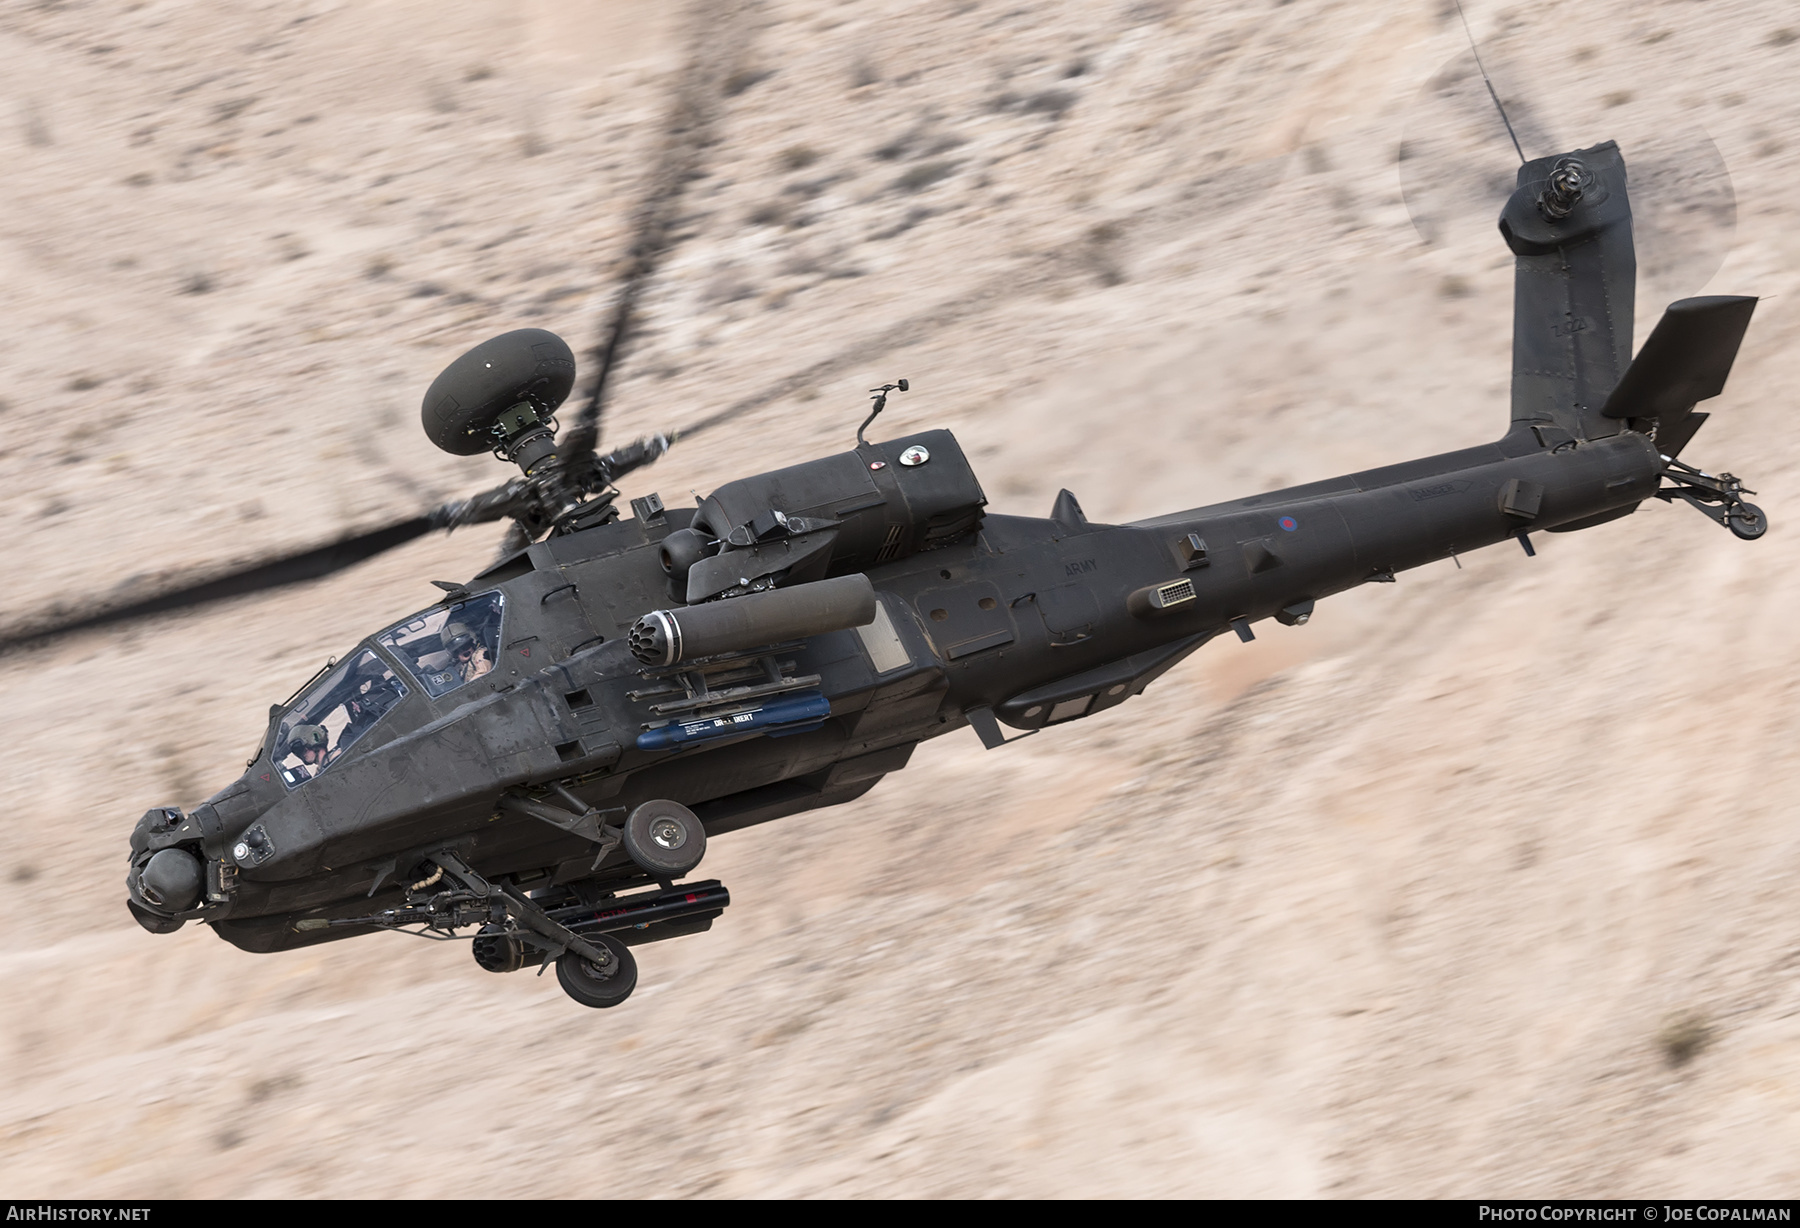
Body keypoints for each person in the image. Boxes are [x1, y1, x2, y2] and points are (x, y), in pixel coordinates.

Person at [442, 619, 493, 683]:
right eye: (457, 651)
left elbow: (483, 675)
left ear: (473, 642)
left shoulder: (480, 655)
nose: (463, 651)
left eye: (466, 646)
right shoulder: (460, 666)